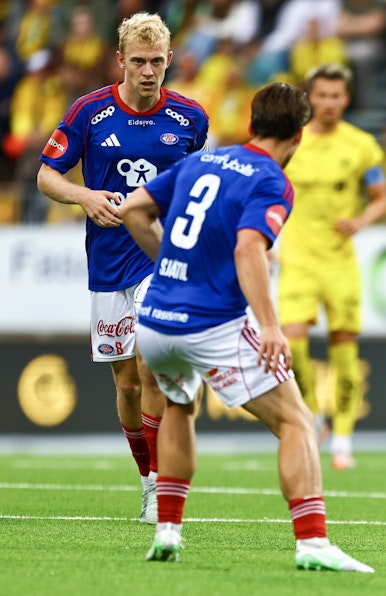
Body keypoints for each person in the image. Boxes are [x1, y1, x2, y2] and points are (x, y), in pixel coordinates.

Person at [119, 81, 374, 573]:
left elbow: (133, 210)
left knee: (178, 405)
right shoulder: (272, 180)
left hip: (154, 322)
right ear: (298, 137)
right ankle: (314, 543)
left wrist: (172, 262)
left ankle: (168, 529)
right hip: (209, 324)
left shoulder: (200, 161)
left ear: (252, 125)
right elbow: (248, 249)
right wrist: (271, 327)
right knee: (297, 422)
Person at [36, 12, 210, 523]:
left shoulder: (190, 118)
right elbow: (48, 177)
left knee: (152, 371)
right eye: (139, 61)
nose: (149, 71)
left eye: (157, 62)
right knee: (127, 383)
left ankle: (161, 490)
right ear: (121, 60)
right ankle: (147, 477)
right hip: (109, 260)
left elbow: (203, 177)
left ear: (170, 60)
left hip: (163, 256)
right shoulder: (88, 112)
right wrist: (85, 196)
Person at [277, 63, 386, 470]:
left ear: (346, 98)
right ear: (310, 98)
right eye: (320, 95)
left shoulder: (361, 146)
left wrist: (360, 221)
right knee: (292, 346)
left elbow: (380, 197)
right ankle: (313, 417)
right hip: (298, 260)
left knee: (345, 352)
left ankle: (342, 438)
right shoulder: (291, 140)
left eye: (336, 96)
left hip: (340, 263)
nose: (328, 103)